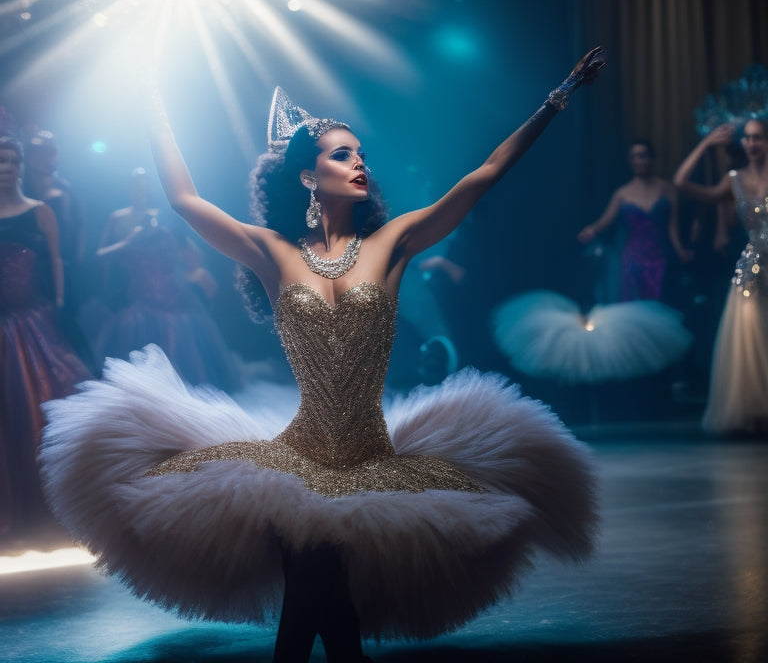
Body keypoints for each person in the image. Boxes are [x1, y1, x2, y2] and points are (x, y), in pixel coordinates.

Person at [40, 47, 604, 662]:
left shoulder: (394, 241)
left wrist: (557, 98)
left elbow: (485, 174)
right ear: (308, 176)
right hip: (298, 454)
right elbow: (184, 199)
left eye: (361, 153)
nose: (359, 162)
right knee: (318, 590)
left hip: (371, 453)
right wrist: (153, 105)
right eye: (342, 154)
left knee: (316, 594)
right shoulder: (272, 252)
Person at [0, 135, 90, 542]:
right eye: (1, 161)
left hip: (33, 322)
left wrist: (57, 302)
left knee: (40, 404)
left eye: (12, 160)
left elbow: (56, 260)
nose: (7, 168)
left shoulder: (41, 211)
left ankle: (56, 502)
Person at [94, 167, 240, 391]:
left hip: (175, 301)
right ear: (128, 189)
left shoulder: (164, 218)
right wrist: (129, 242)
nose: (140, 192)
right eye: (136, 187)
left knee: (189, 364)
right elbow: (100, 258)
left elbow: (193, 258)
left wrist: (191, 271)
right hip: (139, 304)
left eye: (145, 187)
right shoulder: (118, 219)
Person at [673, 120, 768, 434]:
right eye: (748, 138)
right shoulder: (733, 180)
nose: (752, 143)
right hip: (753, 267)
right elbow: (681, 181)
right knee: (752, 340)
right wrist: (706, 144)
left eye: (758, 138)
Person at [578, 140, 692, 302]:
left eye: (644, 155)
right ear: (630, 161)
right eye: (635, 156)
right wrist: (592, 229)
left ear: (652, 158)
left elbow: (673, 226)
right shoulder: (622, 193)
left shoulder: (667, 188)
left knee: (662, 301)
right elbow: (605, 220)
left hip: (661, 255)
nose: (640, 160)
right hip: (633, 258)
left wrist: (680, 250)